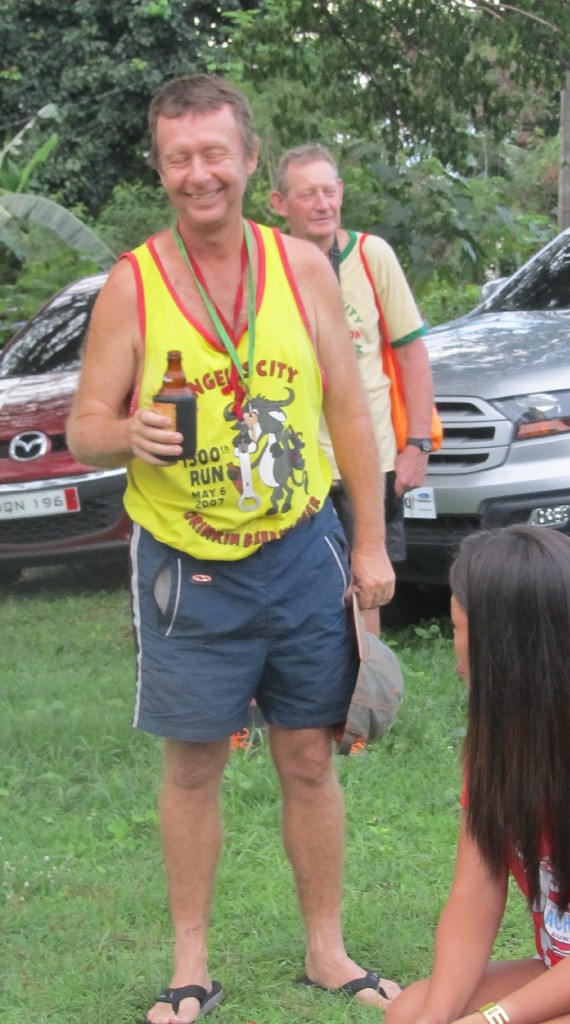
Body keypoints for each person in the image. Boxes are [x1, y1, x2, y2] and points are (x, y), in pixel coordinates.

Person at [66, 74, 402, 1024]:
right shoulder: (133, 285)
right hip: (187, 568)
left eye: (215, 153)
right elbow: (84, 426)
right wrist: (124, 432)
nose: (199, 174)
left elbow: (348, 409)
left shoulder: (300, 268)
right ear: (160, 168)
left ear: (251, 160)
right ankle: (191, 968)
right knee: (192, 766)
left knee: (309, 757)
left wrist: (370, 545)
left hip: (301, 551)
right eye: (179, 158)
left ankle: (327, 952)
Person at [387, 524, 570, 1024]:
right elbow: (475, 895)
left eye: (458, 629)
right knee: (408, 1014)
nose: (454, 652)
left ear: (503, 645)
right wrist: (436, 1019)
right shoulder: (502, 747)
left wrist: (494, 1018)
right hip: (561, 969)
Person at [270, 144, 435, 634]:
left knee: (366, 591)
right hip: (295, 462)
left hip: (368, 459)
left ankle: (365, 683)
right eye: (307, 194)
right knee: (296, 592)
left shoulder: (370, 254)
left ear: (341, 192)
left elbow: (411, 352)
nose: (322, 204)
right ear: (280, 203)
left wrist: (417, 446)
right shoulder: (268, 264)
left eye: (329, 191)